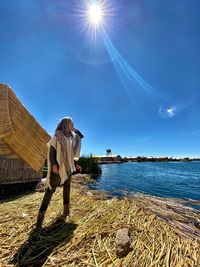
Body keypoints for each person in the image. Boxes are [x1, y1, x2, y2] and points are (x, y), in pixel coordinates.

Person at [36, 117, 84, 228]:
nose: (73, 125)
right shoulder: (58, 135)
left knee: (67, 187)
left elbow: (70, 153)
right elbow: (52, 150)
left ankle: (66, 211)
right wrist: (53, 164)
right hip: (58, 167)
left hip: (68, 168)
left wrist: (75, 165)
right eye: (71, 123)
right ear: (66, 124)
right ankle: (40, 217)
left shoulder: (70, 138)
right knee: (50, 190)